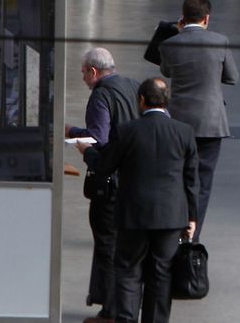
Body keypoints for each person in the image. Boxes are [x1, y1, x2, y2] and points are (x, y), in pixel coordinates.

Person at [78, 78, 198, 323]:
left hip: (133, 215)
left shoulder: (127, 131)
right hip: (170, 216)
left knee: (129, 271)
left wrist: (86, 151)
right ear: (167, 102)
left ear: (141, 101)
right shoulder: (184, 133)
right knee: (161, 273)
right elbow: (191, 180)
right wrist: (192, 217)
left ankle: (126, 318)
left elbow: (104, 167)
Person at [66, 48, 141, 323]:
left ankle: (111, 310)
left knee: (107, 244)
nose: (83, 78)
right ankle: (126, 306)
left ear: (94, 72)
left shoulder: (101, 95)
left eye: (84, 72)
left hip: (110, 184)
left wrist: (74, 135)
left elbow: (99, 138)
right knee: (129, 247)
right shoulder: (134, 86)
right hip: (135, 181)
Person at [158, 0, 238, 239]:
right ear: (207, 18)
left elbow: (165, 70)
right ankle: (193, 233)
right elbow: (232, 77)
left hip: (178, 121)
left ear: (182, 18)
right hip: (211, 123)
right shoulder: (220, 41)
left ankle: (172, 227)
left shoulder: (169, 43)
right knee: (202, 181)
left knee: (176, 176)